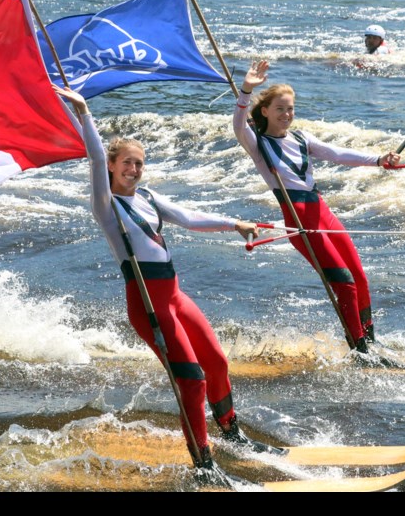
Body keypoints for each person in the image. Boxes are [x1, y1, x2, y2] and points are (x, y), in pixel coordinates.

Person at [56, 86, 265, 476]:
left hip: (173, 294)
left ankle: (230, 432)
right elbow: (95, 154)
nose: (134, 170)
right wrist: (83, 112)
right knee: (191, 379)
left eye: (139, 164)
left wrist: (234, 224)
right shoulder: (106, 205)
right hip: (147, 302)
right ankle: (204, 465)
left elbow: (188, 217)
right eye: (127, 164)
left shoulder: (148, 198)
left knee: (217, 362)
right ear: (112, 167)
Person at [233, 60, 401, 355]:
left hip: (321, 209)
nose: (287, 115)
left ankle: (371, 341)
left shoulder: (301, 138)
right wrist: (247, 88)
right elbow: (237, 123)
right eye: (280, 109)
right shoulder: (258, 144)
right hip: (299, 218)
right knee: (344, 284)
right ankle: (359, 350)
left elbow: (337, 153)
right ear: (265, 112)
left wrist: (377, 160)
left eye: (290, 109)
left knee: (359, 278)